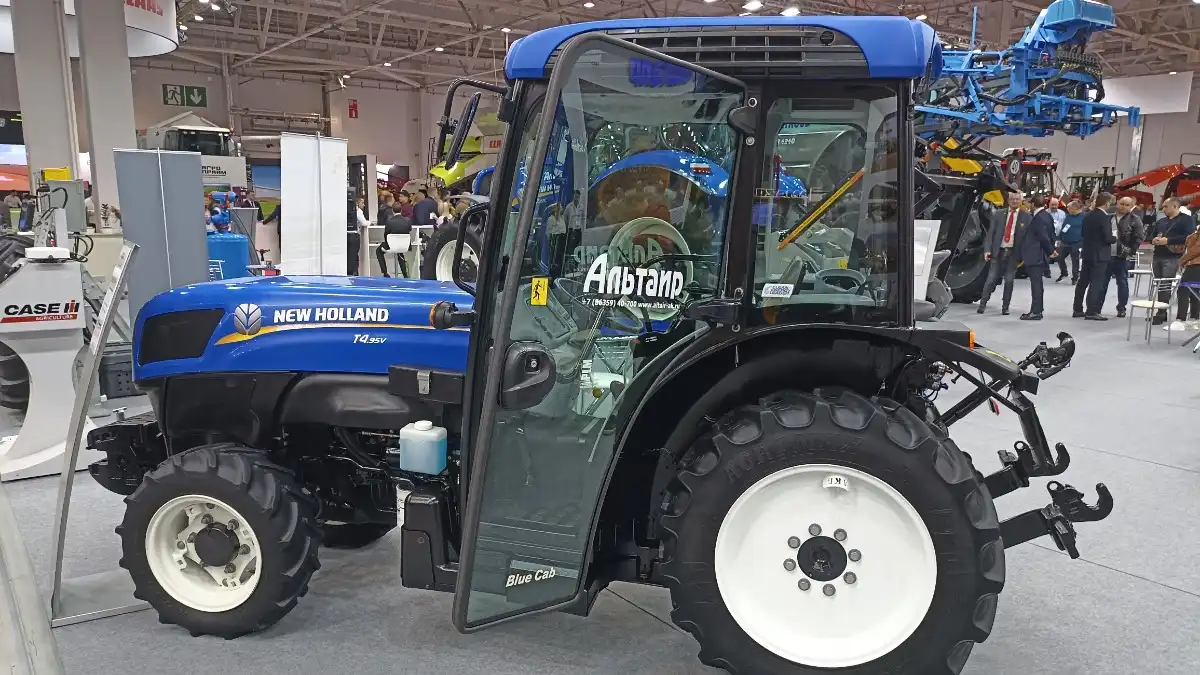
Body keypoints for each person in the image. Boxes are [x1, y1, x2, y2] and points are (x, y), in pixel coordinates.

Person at [977, 189, 1030, 316]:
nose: (1014, 201)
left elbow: (1029, 237)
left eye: (1017, 199)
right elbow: (990, 233)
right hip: (998, 251)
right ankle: (982, 304)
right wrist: (987, 250)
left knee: (1009, 280)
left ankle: (1005, 307)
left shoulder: (1027, 217)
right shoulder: (998, 214)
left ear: (1021, 201)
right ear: (1008, 200)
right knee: (990, 279)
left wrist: (1025, 254)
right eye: (1012, 199)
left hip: (1013, 253)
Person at [1148, 197, 1198, 325]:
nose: (1163, 208)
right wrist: (1153, 240)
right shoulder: (1161, 221)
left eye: (1166, 206)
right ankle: (1162, 311)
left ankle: (1161, 313)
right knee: (1160, 285)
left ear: (1175, 206)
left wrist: (1168, 241)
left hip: (1173, 256)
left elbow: (1189, 237)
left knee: (1165, 284)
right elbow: (1151, 235)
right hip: (1158, 255)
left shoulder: (1186, 220)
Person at [1073, 192, 1117, 320]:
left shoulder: (1088, 215)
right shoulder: (1104, 217)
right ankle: (1091, 311)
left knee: (1082, 282)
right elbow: (1107, 238)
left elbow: (1083, 233)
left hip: (1087, 252)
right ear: (1107, 203)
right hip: (1100, 254)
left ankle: (1077, 309)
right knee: (1096, 283)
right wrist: (1115, 237)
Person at [1020, 201, 1059, 320]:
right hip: (1040, 254)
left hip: (1035, 254)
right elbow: (1052, 234)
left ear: (1033, 204)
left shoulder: (1038, 218)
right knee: (1037, 284)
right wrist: (1051, 250)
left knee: (1036, 284)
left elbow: (1043, 237)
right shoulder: (1047, 216)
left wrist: (1050, 251)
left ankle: (1036, 311)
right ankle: (1037, 310)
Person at [1109, 195, 1143, 318]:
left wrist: (1129, 252)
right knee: (1102, 282)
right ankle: (1096, 308)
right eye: (1122, 204)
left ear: (1131, 206)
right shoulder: (1109, 217)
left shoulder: (1135, 219)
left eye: (1127, 205)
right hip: (1106, 254)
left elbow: (1138, 237)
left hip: (1122, 255)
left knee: (1122, 282)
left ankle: (1121, 308)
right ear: (1117, 203)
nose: (1123, 207)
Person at [1172, 225, 1200, 330]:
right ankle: (1194, 318)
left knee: (1183, 290)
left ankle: (1181, 319)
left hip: (1196, 265)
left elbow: (1197, 248)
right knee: (1194, 291)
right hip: (1193, 264)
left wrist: (1183, 260)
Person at [375, 202, 413, 277]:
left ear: (392, 210)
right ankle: (405, 275)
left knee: (378, 251)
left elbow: (386, 234)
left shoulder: (389, 221)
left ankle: (385, 273)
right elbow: (409, 229)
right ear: (401, 210)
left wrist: (388, 244)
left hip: (392, 245)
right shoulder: (408, 220)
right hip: (404, 245)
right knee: (400, 252)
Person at [1056, 200, 1084, 283]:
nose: (1068, 209)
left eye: (1070, 208)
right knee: (1059, 257)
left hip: (1077, 242)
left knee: (1075, 261)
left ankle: (1075, 277)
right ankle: (1064, 273)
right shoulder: (1068, 216)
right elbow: (1064, 228)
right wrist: (1059, 238)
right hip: (1065, 242)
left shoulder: (1084, 217)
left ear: (1076, 208)